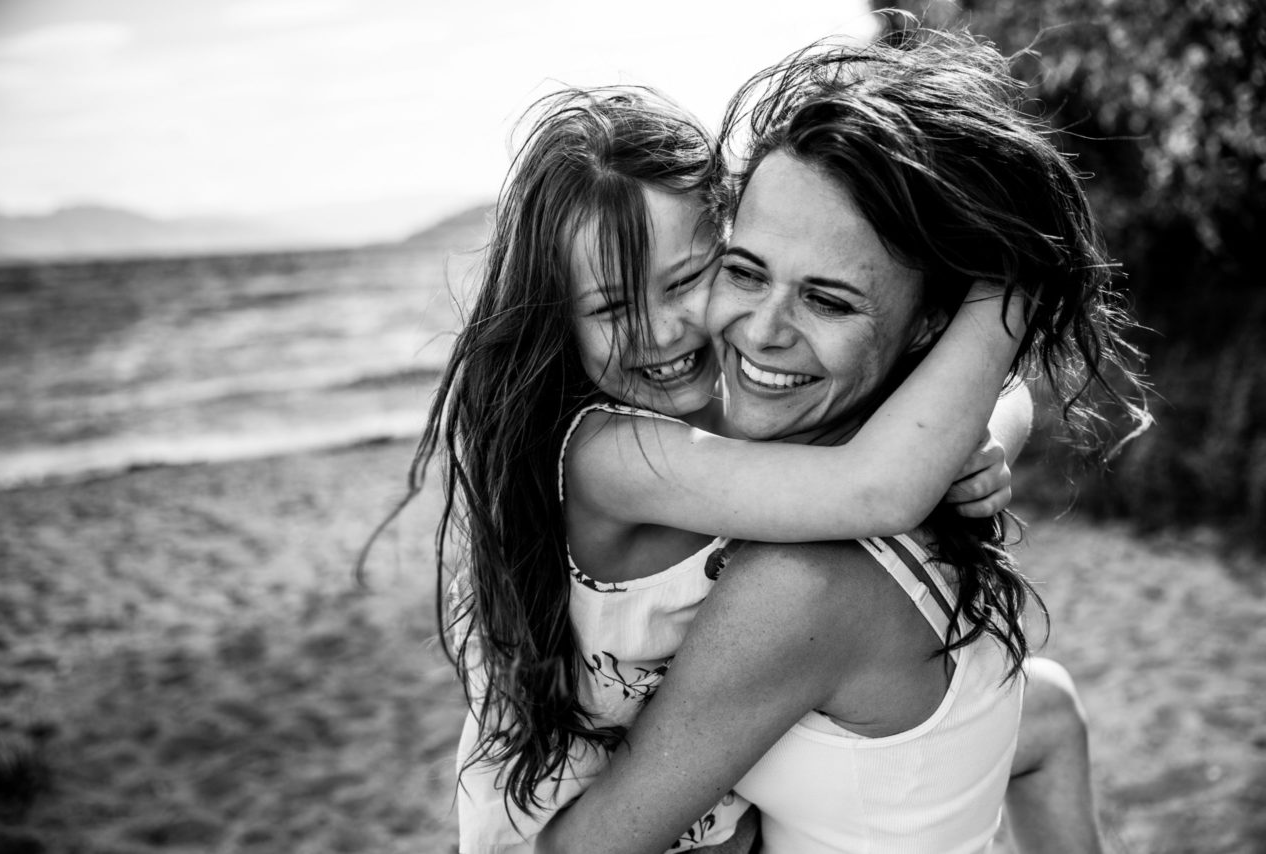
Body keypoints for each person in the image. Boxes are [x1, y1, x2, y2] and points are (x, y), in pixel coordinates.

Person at [364, 84, 1030, 852]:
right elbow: (876, 488)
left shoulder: (732, 407)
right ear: (560, 326)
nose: (665, 329)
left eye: (688, 280)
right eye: (614, 309)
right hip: (561, 822)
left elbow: (999, 393)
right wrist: (1014, 281)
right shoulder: (613, 454)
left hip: (689, 803)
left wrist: (985, 436)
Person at [535, 24, 1147, 854]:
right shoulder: (878, 463)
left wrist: (1010, 316)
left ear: (930, 321)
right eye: (745, 271)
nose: (761, 332)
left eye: (828, 300)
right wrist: (986, 415)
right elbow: (1049, 716)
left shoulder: (799, 584)